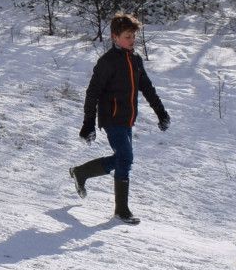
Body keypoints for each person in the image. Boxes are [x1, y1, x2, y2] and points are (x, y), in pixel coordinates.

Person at [70, 13, 170, 224]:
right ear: (115, 37)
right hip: (111, 118)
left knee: (122, 159)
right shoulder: (107, 62)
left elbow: (147, 88)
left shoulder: (135, 60)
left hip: (127, 119)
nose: (131, 40)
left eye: (133, 36)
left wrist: (161, 113)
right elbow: (92, 93)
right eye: (127, 36)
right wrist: (88, 124)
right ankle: (121, 210)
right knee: (126, 158)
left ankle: (81, 172)